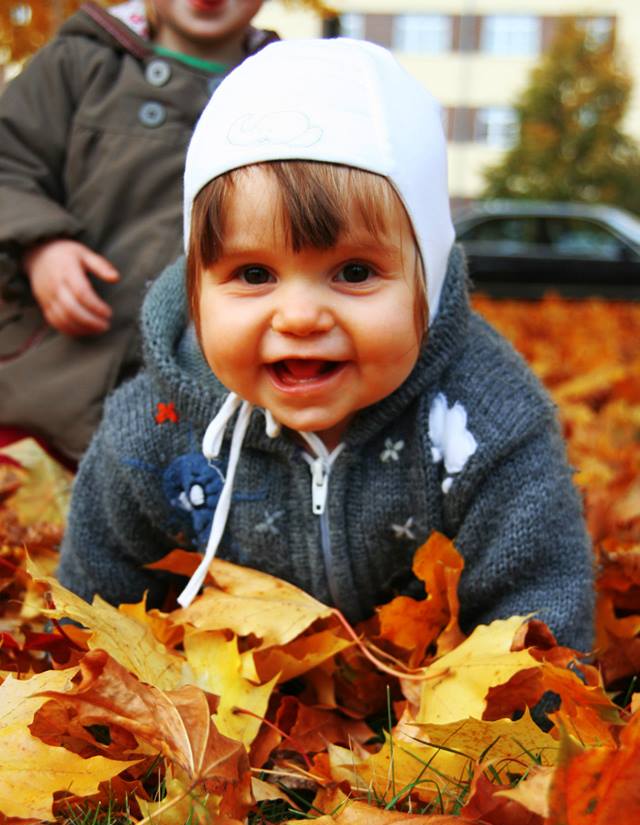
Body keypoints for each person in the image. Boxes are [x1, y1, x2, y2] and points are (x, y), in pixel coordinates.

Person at [57, 38, 595, 650]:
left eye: (355, 273)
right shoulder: (149, 429)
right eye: (254, 275)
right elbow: (92, 611)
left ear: (430, 274)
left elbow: (538, 611)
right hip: (228, 701)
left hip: (425, 703)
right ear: (196, 284)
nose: (302, 316)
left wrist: (516, 728)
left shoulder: (486, 421)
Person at [0, 0, 275, 462]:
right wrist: (41, 244)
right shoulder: (79, 64)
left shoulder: (283, 93)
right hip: (39, 385)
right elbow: (8, 163)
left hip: (194, 409)